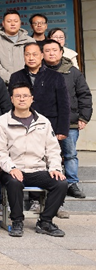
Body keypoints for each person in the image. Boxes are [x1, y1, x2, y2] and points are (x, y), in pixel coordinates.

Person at [0, 82, 67, 237]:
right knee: (14, 182)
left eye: (25, 96)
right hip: (13, 168)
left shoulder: (43, 122)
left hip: (37, 168)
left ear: (32, 98)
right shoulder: (2, 122)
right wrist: (11, 168)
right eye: (18, 96)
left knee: (61, 183)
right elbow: (0, 151)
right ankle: (17, 221)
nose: (22, 99)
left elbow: (53, 149)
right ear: (11, 99)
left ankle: (45, 221)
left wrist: (55, 168)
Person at [43, 38, 92, 199]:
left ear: (61, 52)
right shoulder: (38, 71)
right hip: (44, 122)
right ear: (42, 53)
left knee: (70, 154)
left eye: (54, 50)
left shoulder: (73, 72)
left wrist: (84, 117)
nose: (51, 53)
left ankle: (71, 183)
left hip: (70, 121)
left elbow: (84, 95)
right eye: (47, 50)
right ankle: (48, 182)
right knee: (44, 154)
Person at [8, 42, 70, 139]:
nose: (31, 58)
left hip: (50, 124)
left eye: (35, 54)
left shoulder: (56, 76)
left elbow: (64, 104)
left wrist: (62, 130)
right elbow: (10, 103)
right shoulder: (16, 77)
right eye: (27, 55)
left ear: (42, 55)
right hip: (22, 125)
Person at [0, 10, 36, 83]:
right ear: (3, 23)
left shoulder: (30, 41)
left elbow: (35, 62)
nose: (12, 24)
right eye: (9, 21)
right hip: (4, 84)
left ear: (20, 23)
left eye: (16, 21)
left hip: (28, 83)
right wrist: (11, 78)